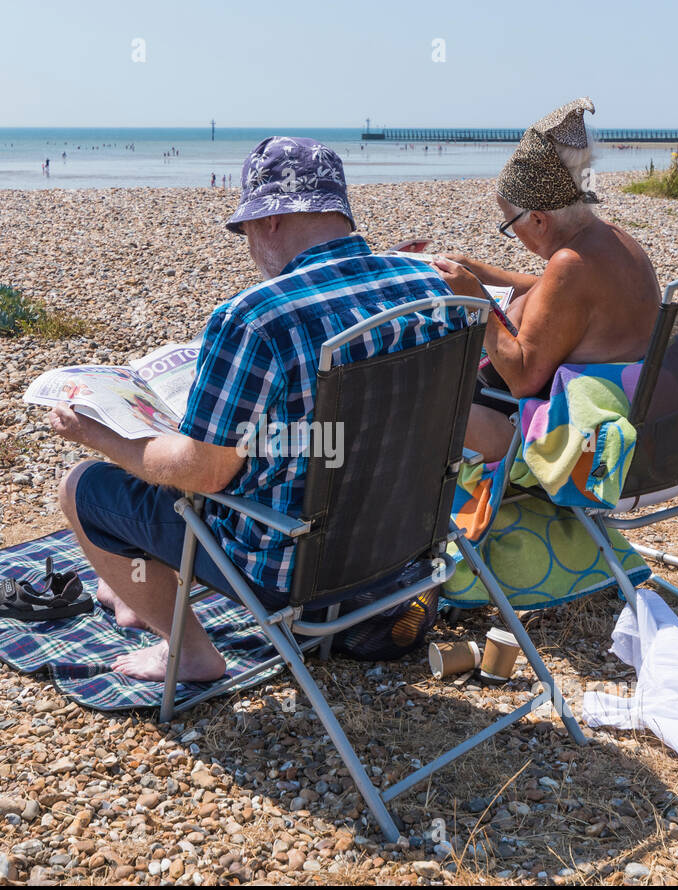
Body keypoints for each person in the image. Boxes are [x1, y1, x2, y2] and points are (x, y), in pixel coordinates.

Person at [50, 137, 470, 681]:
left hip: (295, 574)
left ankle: (190, 653)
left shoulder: (258, 316)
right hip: (405, 555)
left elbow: (200, 475)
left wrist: (101, 437)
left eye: (246, 229)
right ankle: (133, 585)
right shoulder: (434, 284)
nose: (249, 244)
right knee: (249, 444)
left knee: (86, 487)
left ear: (270, 221)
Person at [433, 98, 660, 462]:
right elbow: (551, 292)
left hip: (571, 441)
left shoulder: (571, 265)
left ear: (539, 220)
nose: (512, 234)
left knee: (424, 408)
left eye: (509, 225)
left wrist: (475, 300)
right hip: (637, 420)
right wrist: (473, 268)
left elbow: (522, 379)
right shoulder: (610, 240)